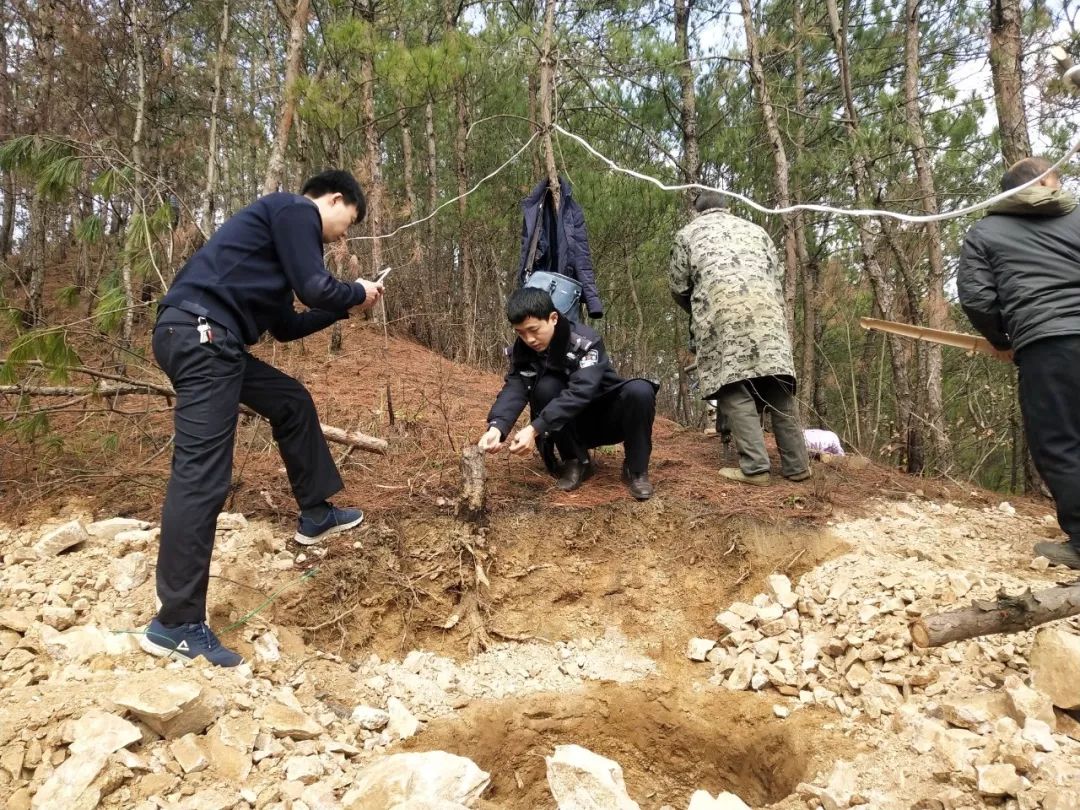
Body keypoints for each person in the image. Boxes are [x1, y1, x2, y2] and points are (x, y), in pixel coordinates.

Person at [143, 170, 384, 666]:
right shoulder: (295, 210)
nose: (343, 234)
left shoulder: (273, 249)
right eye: (349, 221)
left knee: (290, 399)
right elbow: (318, 287)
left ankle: (316, 514)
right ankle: (177, 623)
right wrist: (355, 292)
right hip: (202, 333)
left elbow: (288, 326)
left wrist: (346, 310)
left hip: (212, 337)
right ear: (335, 200)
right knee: (202, 475)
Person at [957, 156, 1080, 569]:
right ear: (1046, 181)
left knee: (1061, 442)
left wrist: (1001, 339)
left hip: (1048, 345)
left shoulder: (985, 231)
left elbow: (977, 298)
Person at [669, 191, 810, 486]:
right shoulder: (757, 231)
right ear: (728, 207)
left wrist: (698, 311)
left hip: (722, 318)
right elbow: (777, 274)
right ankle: (797, 466)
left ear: (697, 212)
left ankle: (756, 468)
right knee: (778, 386)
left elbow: (679, 286)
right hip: (769, 316)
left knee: (733, 386)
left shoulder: (688, 234)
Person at [477, 287, 657, 500]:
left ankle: (636, 471)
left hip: (607, 418)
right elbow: (515, 387)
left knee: (640, 390)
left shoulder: (585, 342)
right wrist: (497, 427)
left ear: (553, 318)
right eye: (521, 332)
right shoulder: (523, 351)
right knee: (545, 387)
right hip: (567, 427)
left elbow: (582, 391)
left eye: (534, 330)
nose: (529, 339)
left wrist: (535, 428)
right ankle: (576, 462)